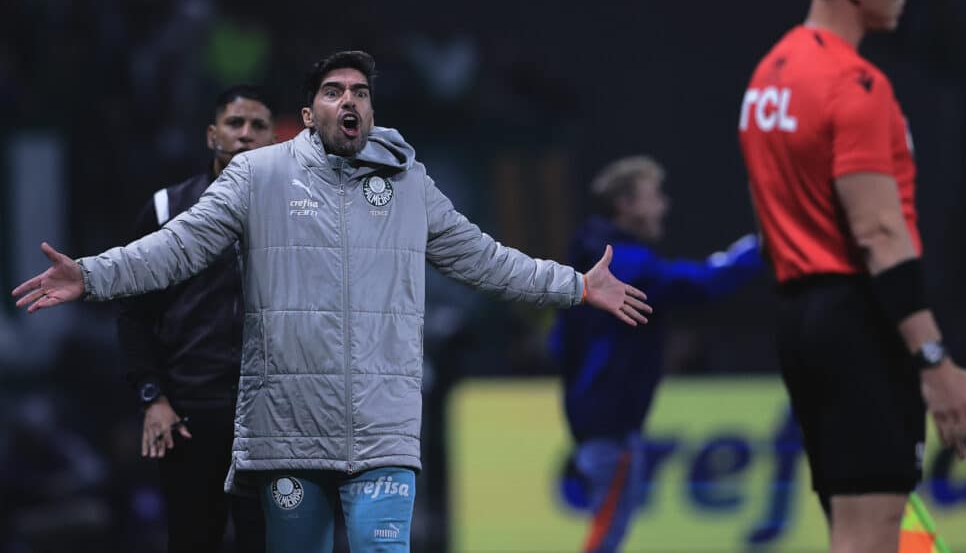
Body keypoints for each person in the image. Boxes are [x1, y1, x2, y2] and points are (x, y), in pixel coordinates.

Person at [12, 50, 652, 553]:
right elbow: (173, 248)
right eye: (334, 91)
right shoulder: (257, 177)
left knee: (380, 546)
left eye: (361, 92)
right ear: (310, 112)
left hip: (382, 428)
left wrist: (575, 284)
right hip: (287, 434)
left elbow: (484, 257)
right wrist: (91, 276)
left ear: (371, 111)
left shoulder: (408, 181)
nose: (350, 100)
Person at [737, 0, 966, 553]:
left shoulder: (768, 76)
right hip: (858, 317)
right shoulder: (855, 85)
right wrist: (933, 357)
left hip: (799, 319)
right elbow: (880, 233)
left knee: (849, 529)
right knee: (874, 531)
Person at [550, 156, 762, 553]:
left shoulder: (590, 256)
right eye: (655, 195)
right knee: (607, 535)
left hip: (597, 419)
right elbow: (702, 283)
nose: (664, 205)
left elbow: (558, 344)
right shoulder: (622, 264)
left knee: (609, 530)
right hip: (608, 421)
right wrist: (760, 246)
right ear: (626, 204)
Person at [118, 85, 275, 553]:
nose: (245, 134)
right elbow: (133, 312)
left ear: (275, 140)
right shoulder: (167, 209)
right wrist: (152, 397)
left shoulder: (298, 213)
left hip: (272, 421)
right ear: (212, 134)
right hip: (189, 415)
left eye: (258, 126)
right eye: (234, 123)